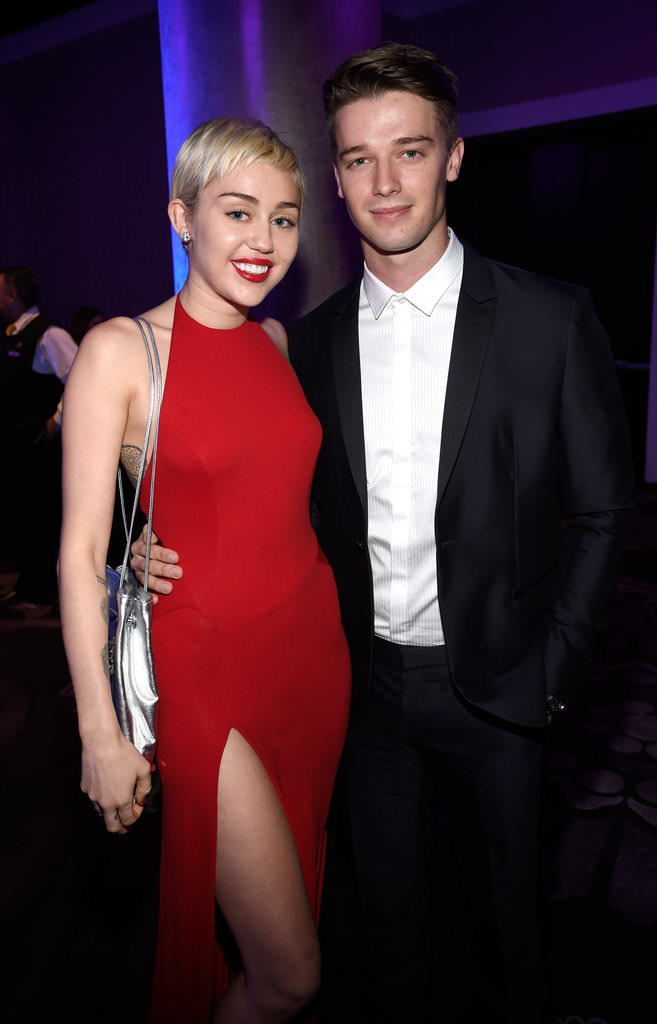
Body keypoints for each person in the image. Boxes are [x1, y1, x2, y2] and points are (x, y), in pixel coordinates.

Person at [134, 45, 635, 1024]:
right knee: (382, 924)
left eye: (409, 151)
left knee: (510, 926)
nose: (385, 181)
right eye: (359, 159)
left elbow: (604, 509)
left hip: (504, 683)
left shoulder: (550, 319)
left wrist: (553, 672)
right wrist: (148, 545)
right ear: (335, 177)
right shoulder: (303, 342)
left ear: (453, 156)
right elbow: (249, 482)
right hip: (357, 688)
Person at [58, 116, 351, 1024]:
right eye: (237, 211)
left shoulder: (276, 344)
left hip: (311, 658)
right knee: (289, 975)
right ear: (182, 216)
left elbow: (273, 497)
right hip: (207, 672)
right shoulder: (121, 349)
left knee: (289, 916)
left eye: (284, 218)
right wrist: (100, 735)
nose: (264, 239)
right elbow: (78, 555)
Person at [0, 265, 77, 611]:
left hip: (41, 445)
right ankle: (28, 586)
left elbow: (80, 377)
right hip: (16, 443)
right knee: (25, 515)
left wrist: (55, 421)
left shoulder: (50, 334)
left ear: (12, 295)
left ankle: (44, 591)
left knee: (43, 516)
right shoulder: (11, 333)